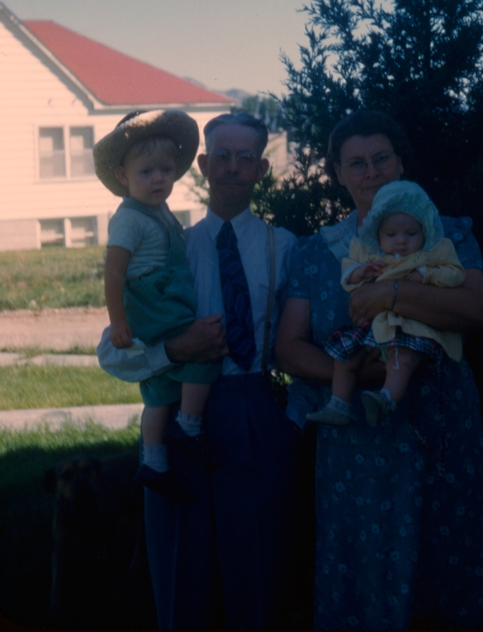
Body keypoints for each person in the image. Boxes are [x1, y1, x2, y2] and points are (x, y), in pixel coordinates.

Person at [276, 109, 483, 630]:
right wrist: (357, 373)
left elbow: (475, 309)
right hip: (357, 441)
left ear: (401, 163)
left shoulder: (448, 235)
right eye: (356, 163)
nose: (370, 172)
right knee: (363, 565)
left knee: (446, 562)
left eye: (381, 159)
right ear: (337, 173)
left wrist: (393, 292)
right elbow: (288, 348)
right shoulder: (317, 252)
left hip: (440, 430)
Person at [97, 112, 298, 630]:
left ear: (260, 169)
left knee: (255, 571)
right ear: (204, 166)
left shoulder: (286, 248)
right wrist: (173, 350)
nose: (233, 168)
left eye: (246, 157)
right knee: (183, 568)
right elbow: (113, 354)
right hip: (181, 419)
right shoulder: (168, 243)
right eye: (222, 157)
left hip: (252, 411)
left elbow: (300, 344)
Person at [94, 110, 221, 502]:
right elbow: (114, 273)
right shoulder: (129, 220)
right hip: (156, 304)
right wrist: (118, 321)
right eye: (147, 172)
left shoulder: (158, 209)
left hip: (163, 298)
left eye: (166, 170)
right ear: (122, 177)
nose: (159, 179)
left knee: (159, 388)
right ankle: (188, 425)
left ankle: (153, 462)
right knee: (204, 354)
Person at [307, 179, 464, 429]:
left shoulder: (434, 252)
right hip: (372, 325)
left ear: (424, 231)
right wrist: (361, 272)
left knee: (400, 358)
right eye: (391, 234)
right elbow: (347, 275)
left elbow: (456, 274)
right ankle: (338, 404)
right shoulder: (369, 253)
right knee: (345, 357)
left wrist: (427, 275)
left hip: (408, 324)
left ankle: (387, 398)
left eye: (411, 234)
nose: (401, 241)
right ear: (378, 234)